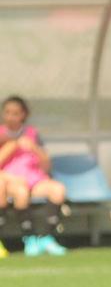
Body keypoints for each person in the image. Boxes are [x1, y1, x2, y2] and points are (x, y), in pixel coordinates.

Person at [0, 95, 67, 257]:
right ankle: (29, 238)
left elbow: (46, 164)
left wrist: (34, 148)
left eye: (15, 113)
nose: (11, 117)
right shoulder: (1, 134)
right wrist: (11, 145)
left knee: (58, 190)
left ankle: (45, 238)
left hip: (33, 178)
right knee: (21, 192)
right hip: (9, 179)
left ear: (23, 115)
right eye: (7, 112)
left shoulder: (32, 134)